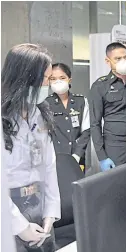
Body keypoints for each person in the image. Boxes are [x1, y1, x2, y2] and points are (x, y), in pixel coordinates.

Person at [2, 43, 61, 252]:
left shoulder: (39, 113)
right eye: (46, 79)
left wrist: (50, 214)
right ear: (25, 78)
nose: (49, 85)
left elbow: (49, 167)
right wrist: (20, 226)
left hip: (38, 203)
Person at [89, 42, 126, 171]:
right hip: (115, 147)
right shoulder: (100, 86)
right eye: (118, 58)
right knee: (118, 188)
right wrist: (102, 157)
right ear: (108, 61)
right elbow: (95, 124)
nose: (123, 61)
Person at [46, 63, 90, 171]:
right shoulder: (46, 104)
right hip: (55, 159)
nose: (58, 81)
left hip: (77, 158)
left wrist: (77, 154)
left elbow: (87, 130)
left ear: (69, 79)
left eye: (62, 78)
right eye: (53, 78)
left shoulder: (81, 101)